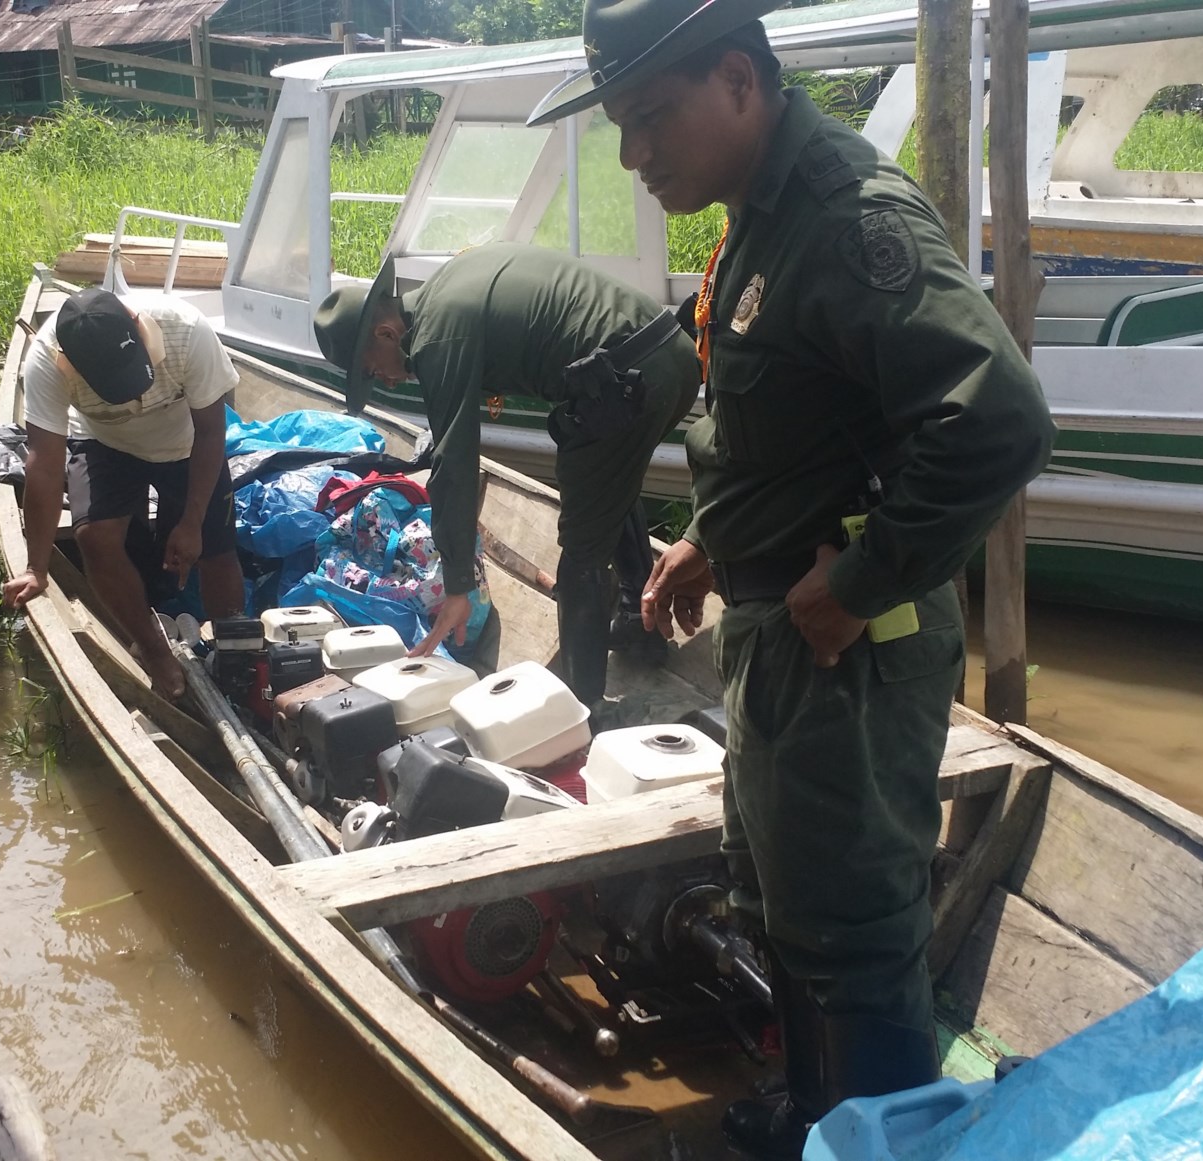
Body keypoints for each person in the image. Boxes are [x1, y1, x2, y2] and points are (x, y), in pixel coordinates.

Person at [531, 3, 1056, 1155]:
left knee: (856, 936)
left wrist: (862, 580)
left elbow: (1000, 421)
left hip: (845, 651)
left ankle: (883, 1139)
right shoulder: (757, 221)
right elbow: (802, 429)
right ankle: (821, 1118)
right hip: (785, 637)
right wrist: (710, 544)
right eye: (621, 127)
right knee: (786, 909)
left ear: (736, 80)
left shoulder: (844, 217)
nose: (636, 155)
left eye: (651, 119)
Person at [312, 243, 698, 708]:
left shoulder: (436, 337)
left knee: (579, 555)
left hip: (627, 378)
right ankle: (640, 621)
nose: (386, 381)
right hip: (670, 352)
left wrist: (457, 584)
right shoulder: (448, 285)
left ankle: (582, 712)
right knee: (604, 481)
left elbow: (455, 463)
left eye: (374, 371)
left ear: (387, 332)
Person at [0, 288, 246, 700]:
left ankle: (235, 657)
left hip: (187, 443)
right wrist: (36, 569)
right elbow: (43, 466)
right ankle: (153, 651)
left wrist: (192, 522)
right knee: (94, 537)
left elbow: (210, 431)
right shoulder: (46, 362)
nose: (135, 396)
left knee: (216, 551)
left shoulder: (186, 331)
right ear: (71, 363)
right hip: (104, 442)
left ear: (138, 327)